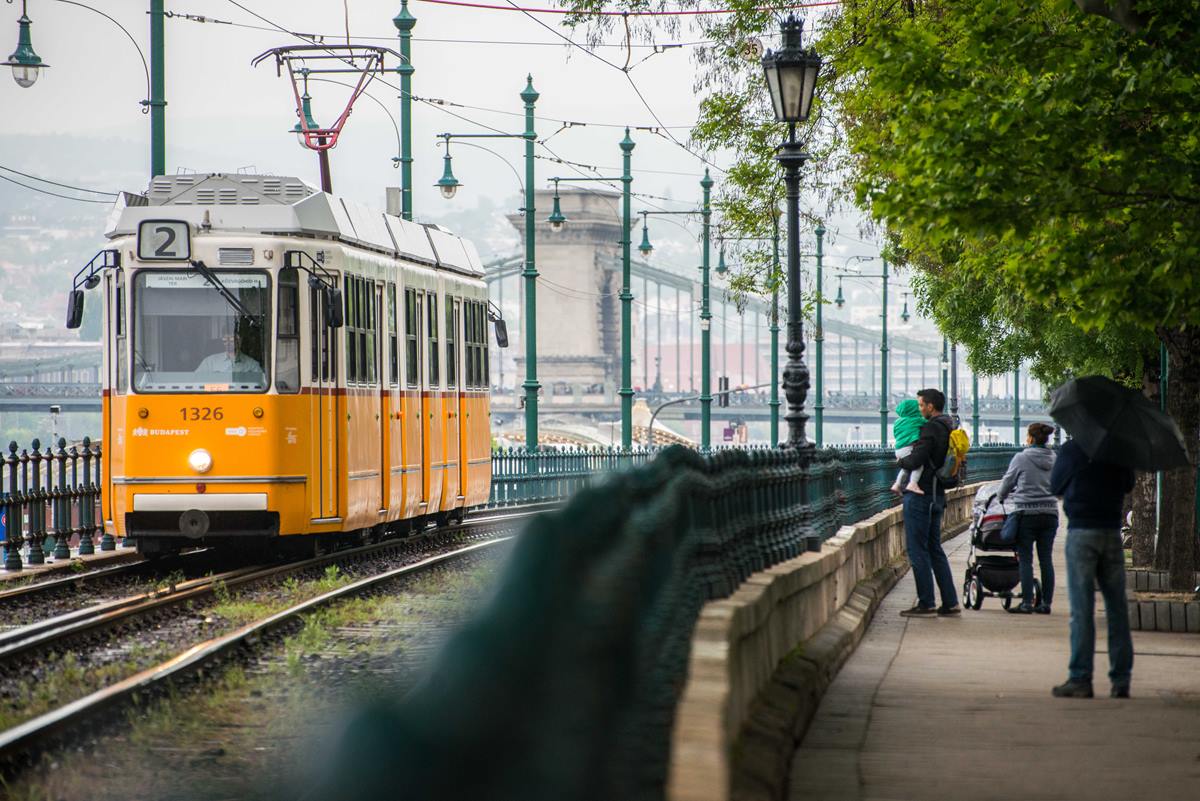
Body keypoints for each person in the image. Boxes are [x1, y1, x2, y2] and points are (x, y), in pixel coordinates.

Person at [1048, 437, 1136, 699]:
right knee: (1117, 608)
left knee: (1082, 609)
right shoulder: (1118, 449)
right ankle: (1121, 680)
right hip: (1110, 532)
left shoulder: (1073, 449)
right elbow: (1128, 484)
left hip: (1081, 532)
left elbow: (1056, 485)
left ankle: (1080, 678)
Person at [896, 388, 962, 618]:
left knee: (917, 550)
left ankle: (926, 603)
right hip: (937, 495)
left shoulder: (931, 428)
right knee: (934, 548)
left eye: (921, 404)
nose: (920, 408)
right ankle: (951, 601)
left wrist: (901, 460)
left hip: (921, 495)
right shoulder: (949, 426)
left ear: (930, 406)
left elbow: (918, 458)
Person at [997, 423, 1059, 614]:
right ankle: (1046, 604)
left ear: (1030, 438)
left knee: (1025, 559)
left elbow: (1007, 482)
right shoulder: (1055, 457)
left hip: (1027, 514)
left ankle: (1026, 602)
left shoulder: (1021, 458)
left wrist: (1001, 496)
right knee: (1046, 559)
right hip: (1050, 513)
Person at [890, 398, 926, 495]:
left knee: (906, 468)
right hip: (908, 448)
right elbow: (928, 424)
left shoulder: (898, 422)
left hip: (898, 449)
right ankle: (913, 484)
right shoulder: (915, 420)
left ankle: (897, 484)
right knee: (918, 465)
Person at [196, 331, 262, 377]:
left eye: (232, 339)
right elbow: (195, 380)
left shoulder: (252, 365)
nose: (228, 342)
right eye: (225, 339)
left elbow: (261, 385)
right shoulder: (209, 362)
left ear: (240, 340)